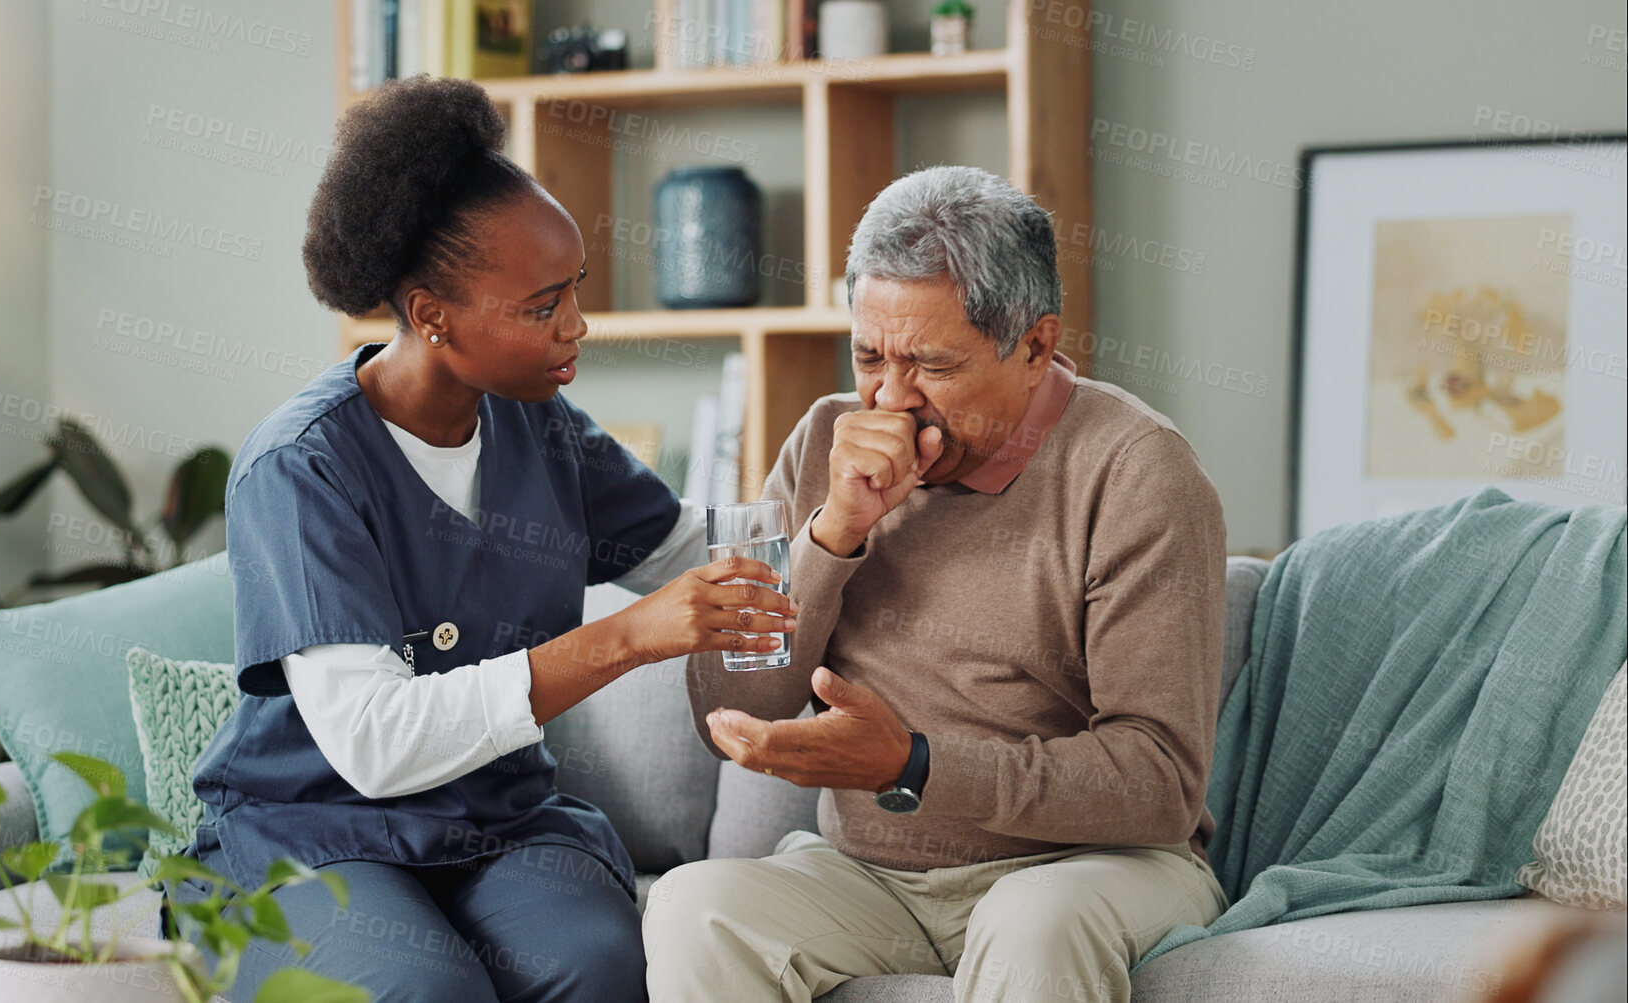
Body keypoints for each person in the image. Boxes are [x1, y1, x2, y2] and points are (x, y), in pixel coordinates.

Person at [180, 74, 796, 1003]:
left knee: (595, 963)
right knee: (422, 990)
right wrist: (622, 638)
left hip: (495, 822)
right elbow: (375, 745)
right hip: (315, 830)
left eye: (574, 291)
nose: (576, 325)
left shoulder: (541, 427)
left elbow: (693, 548)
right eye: (541, 305)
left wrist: (850, 499)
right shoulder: (301, 468)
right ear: (432, 315)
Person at [643, 165, 1231, 1003]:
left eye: (930, 365)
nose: (889, 398)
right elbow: (729, 708)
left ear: (1033, 345)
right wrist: (832, 534)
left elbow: (1159, 783)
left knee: (1031, 924)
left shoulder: (1136, 470)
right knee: (693, 906)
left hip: (1091, 869)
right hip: (870, 876)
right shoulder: (818, 440)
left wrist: (913, 764)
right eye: (868, 356)